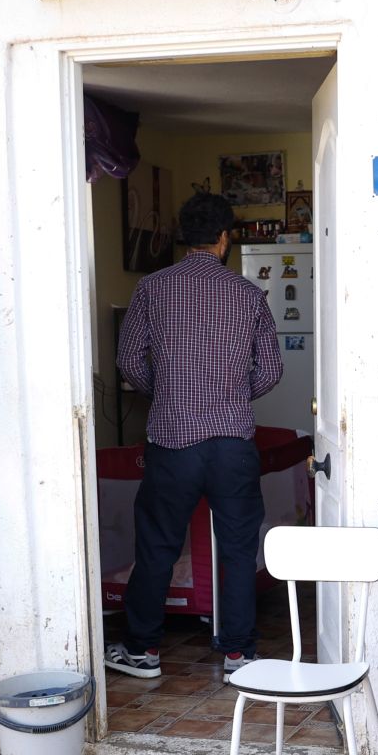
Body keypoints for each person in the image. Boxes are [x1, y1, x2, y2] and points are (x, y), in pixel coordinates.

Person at [107, 192, 281, 679]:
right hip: (232, 443)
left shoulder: (152, 288)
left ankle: (142, 650)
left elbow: (127, 360)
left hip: (172, 440)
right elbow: (270, 367)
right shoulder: (247, 294)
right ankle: (239, 654)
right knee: (238, 546)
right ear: (225, 237)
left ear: (186, 235)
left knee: (158, 544)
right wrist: (234, 397)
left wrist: (162, 392)